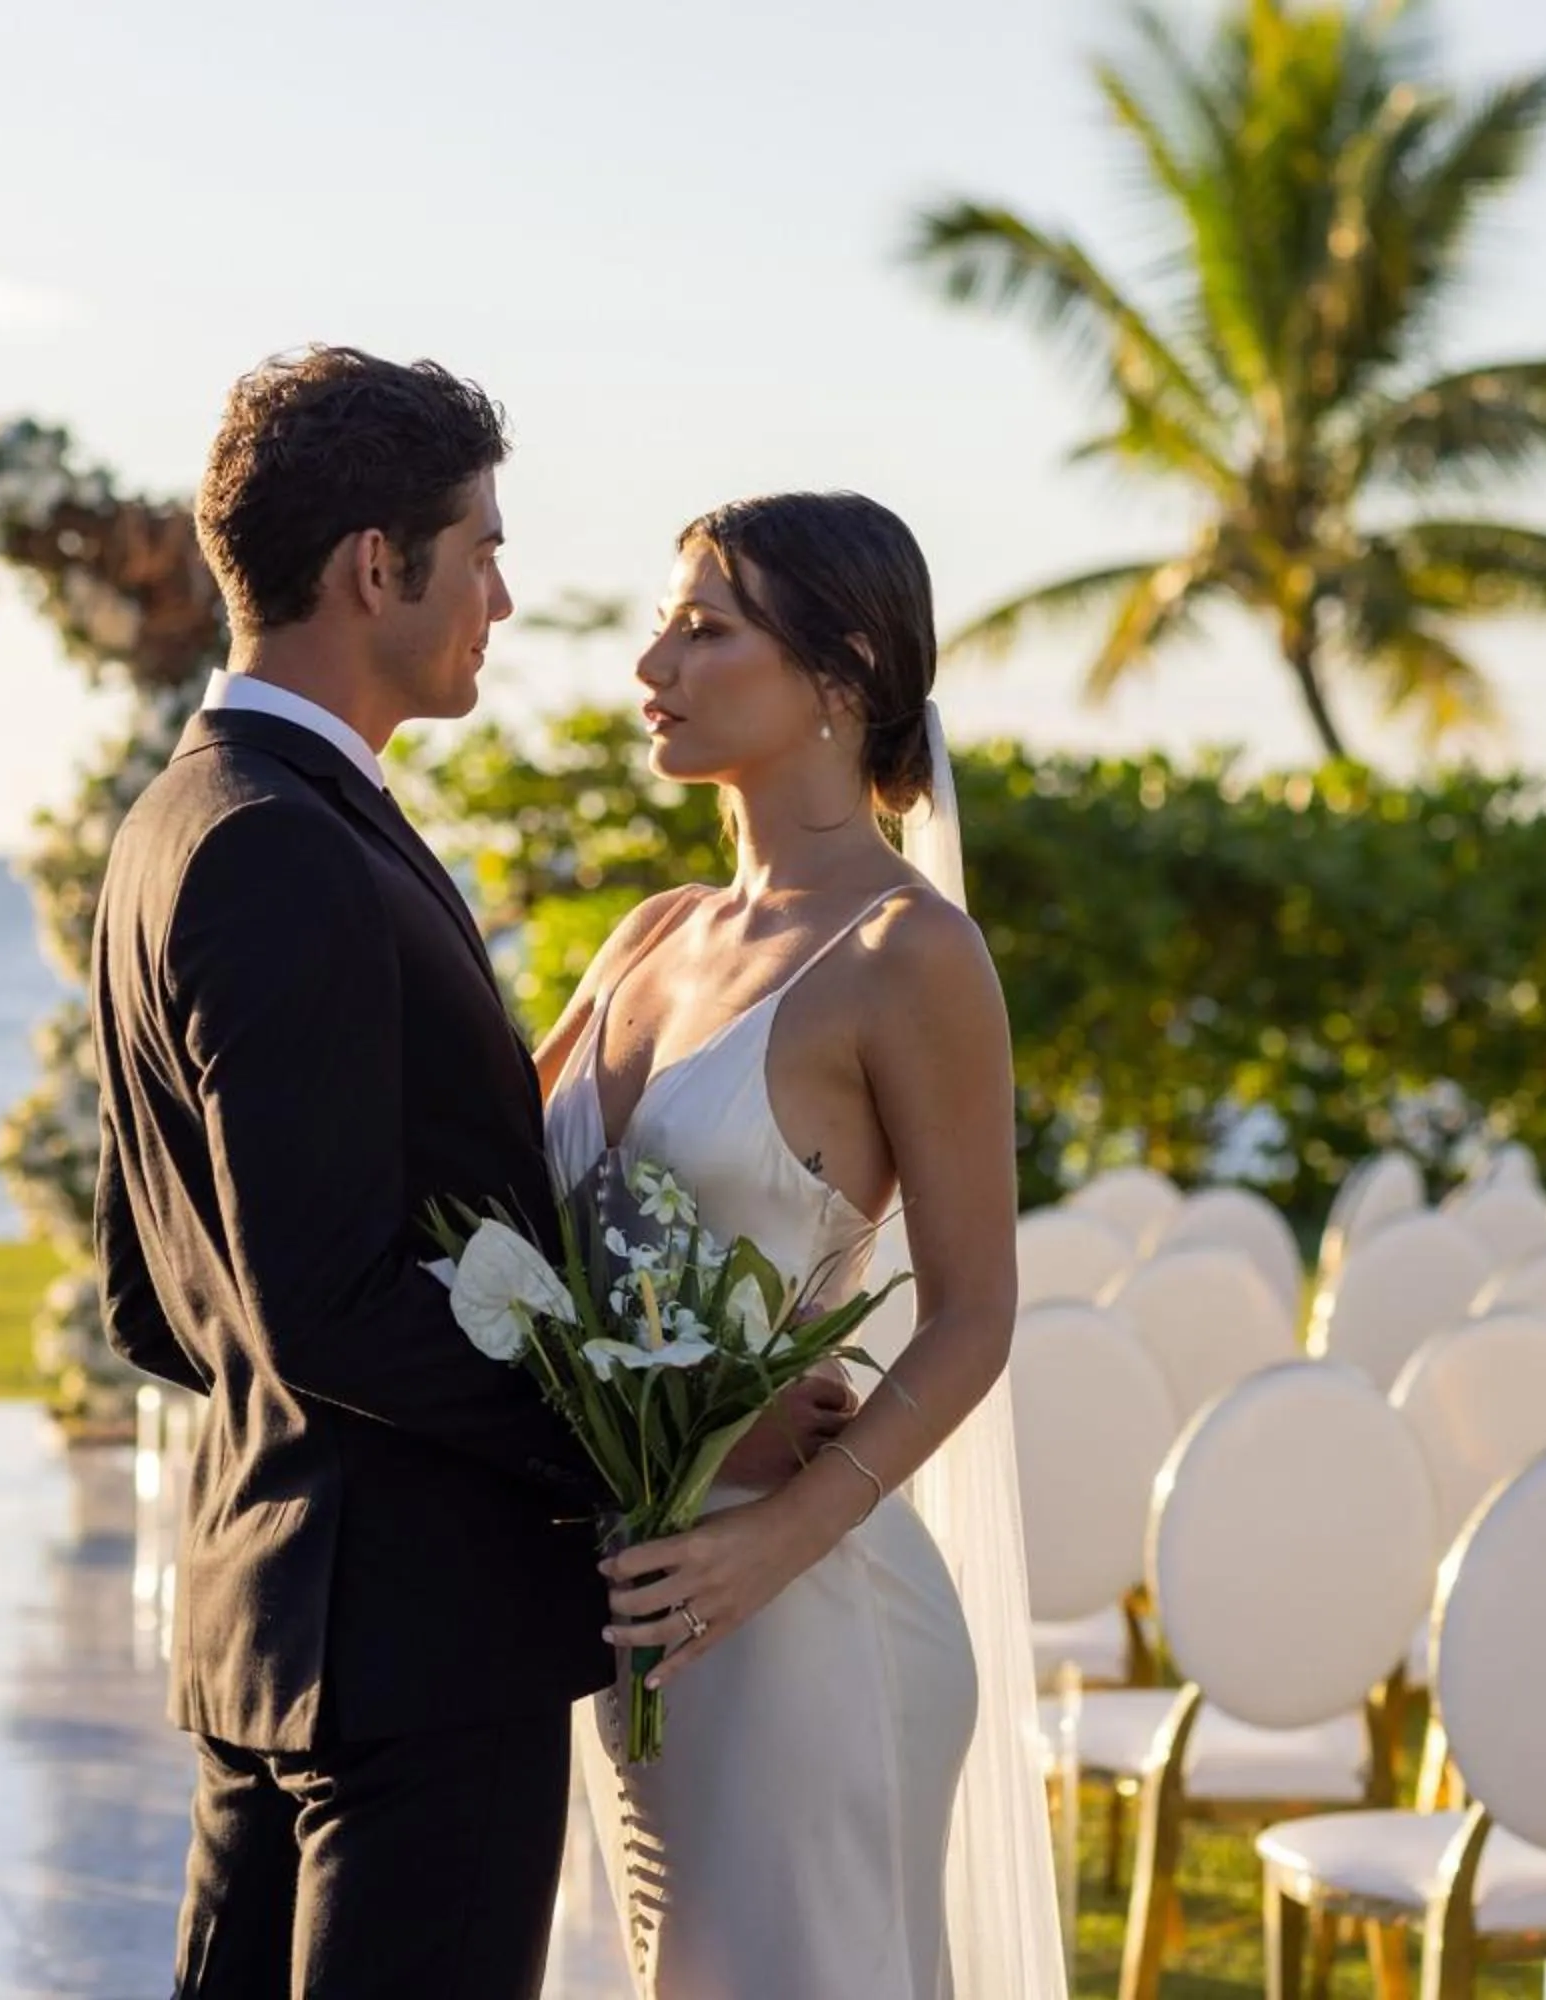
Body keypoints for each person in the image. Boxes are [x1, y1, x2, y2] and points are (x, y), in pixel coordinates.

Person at [89, 349, 846, 1999]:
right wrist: (675, 1426)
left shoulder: (185, 821)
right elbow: (334, 1307)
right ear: (380, 564)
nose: (504, 594)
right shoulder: (283, 847)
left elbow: (156, 1301)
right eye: (483, 547)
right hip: (409, 1660)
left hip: (273, 1629)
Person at [536, 492, 1064, 1999]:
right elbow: (502, 1232)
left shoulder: (910, 958)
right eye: (666, 624)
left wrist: (774, 1533)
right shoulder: (648, 935)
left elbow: (972, 1316)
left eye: (706, 630)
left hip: (806, 1616)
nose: (654, 662)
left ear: (840, 676)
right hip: (635, 1606)